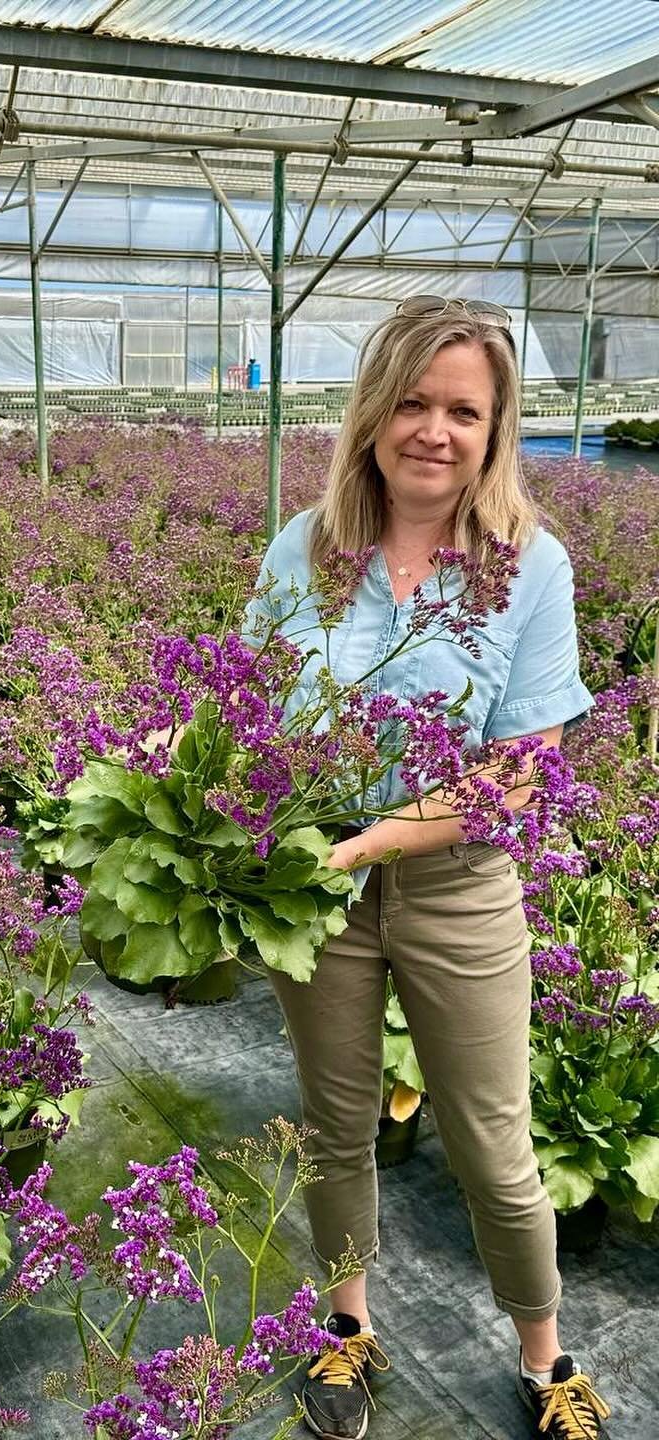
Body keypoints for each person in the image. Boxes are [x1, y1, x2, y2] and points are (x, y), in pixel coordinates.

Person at [244, 296, 609, 1440]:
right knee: (335, 1122)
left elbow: (519, 769)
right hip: (316, 892)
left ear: (496, 429)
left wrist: (375, 841)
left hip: (456, 889)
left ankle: (548, 1362)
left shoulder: (526, 566)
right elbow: (246, 703)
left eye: (463, 409)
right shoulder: (304, 546)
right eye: (411, 400)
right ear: (372, 411)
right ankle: (347, 1332)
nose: (433, 430)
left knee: (494, 1142)